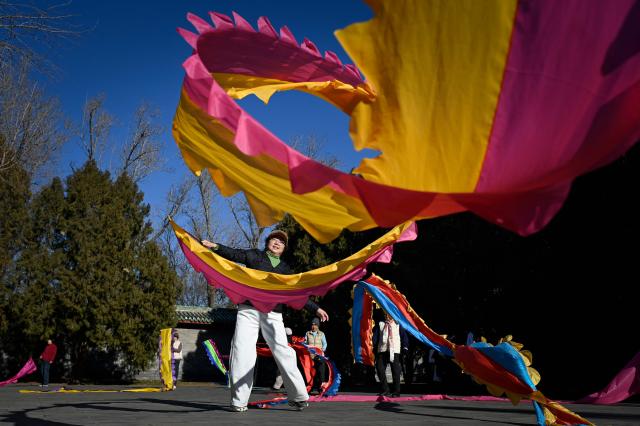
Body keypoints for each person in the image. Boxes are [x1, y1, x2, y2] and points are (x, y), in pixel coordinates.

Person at [202, 229, 329, 412]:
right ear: (268, 242)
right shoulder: (255, 256)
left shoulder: (285, 269)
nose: (277, 243)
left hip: (273, 313)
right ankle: (239, 401)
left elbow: (296, 293)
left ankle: (298, 396)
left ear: (284, 248)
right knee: (242, 350)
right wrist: (215, 247)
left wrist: (316, 308)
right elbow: (235, 254)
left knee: (283, 351)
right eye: (274, 239)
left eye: (281, 242)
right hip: (249, 310)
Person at [373, 313, 408, 397]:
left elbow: (404, 337)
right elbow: (375, 336)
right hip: (382, 349)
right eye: (385, 314)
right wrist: (374, 346)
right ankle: (386, 390)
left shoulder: (398, 324)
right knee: (379, 369)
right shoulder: (380, 324)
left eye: (388, 314)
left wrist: (405, 347)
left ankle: (396, 391)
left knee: (396, 371)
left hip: (394, 350)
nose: (386, 316)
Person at [304, 317, 327, 394]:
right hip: (310, 357)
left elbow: (325, 344)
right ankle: (311, 388)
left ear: (318, 326)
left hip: (319, 356)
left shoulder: (321, 334)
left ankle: (321, 389)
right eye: (312, 325)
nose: (313, 326)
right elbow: (304, 343)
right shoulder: (307, 333)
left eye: (315, 325)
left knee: (321, 373)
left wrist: (322, 350)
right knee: (311, 373)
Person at [272, 327, 293, 391]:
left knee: (282, 371)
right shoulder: (283, 339)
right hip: (283, 356)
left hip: (286, 357)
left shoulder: (285, 339)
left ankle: (278, 386)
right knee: (281, 371)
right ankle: (277, 386)